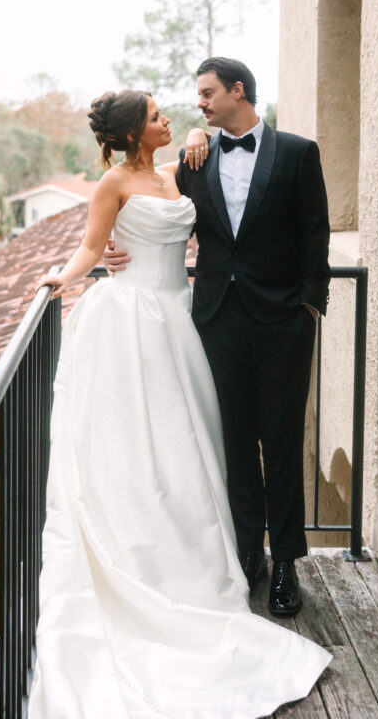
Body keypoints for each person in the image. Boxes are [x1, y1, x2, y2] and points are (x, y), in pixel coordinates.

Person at [28, 88, 330, 719]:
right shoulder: (112, 182)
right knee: (138, 443)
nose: (170, 120)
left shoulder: (175, 170)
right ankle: (152, 558)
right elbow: (92, 244)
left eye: (174, 113)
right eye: (159, 116)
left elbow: (217, 159)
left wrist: (200, 137)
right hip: (129, 317)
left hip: (181, 319)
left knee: (191, 441)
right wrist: (68, 275)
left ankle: (244, 556)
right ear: (137, 130)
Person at [105, 58, 330, 617]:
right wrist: (114, 252)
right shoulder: (193, 159)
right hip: (214, 321)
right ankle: (247, 551)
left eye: (206, 94)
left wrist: (307, 306)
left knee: (280, 443)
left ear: (238, 91)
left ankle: (286, 566)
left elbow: (314, 232)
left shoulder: (299, 153)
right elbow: (143, 202)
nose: (198, 103)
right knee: (231, 440)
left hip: (283, 323)